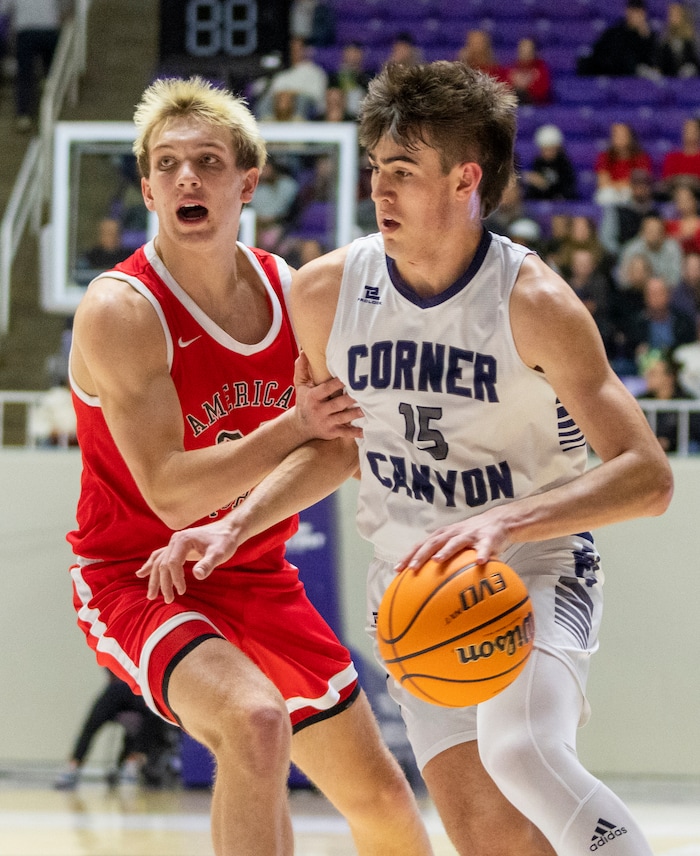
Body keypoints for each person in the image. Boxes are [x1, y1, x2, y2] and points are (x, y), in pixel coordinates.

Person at [140, 62, 673, 856]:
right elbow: (339, 450)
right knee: (486, 835)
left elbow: (648, 477)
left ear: (466, 179)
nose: (379, 191)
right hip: (412, 593)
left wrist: (509, 518)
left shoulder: (535, 304)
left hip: (533, 568)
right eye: (377, 169)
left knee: (523, 751)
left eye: (403, 173)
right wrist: (236, 524)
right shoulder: (325, 294)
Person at [66, 75, 433, 856]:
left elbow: (334, 447)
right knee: (255, 721)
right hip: (136, 575)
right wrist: (288, 426)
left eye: (206, 160)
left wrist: (237, 527)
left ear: (248, 182)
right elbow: (167, 492)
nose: (186, 178)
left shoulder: (290, 291)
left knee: (385, 806)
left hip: (252, 568)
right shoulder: (121, 310)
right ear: (147, 187)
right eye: (166, 164)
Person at [54, 670, 179, 790]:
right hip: (119, 687)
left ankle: (132, 762)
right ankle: (74, 765)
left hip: (141, 691)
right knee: (93, 720)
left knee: (154, 713)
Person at [7, 0, 71, 132]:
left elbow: (5, 9)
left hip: (26, 32)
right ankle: (48, 99)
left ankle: (24, 115)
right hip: (48, 30)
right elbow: (65, 7)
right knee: (52, 73)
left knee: (25, 76)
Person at [636, 348, 700, 453]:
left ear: (669, 377)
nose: (648, 377)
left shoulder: (686, 402)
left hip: (678, 454)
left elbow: (694, 431)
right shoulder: (641, 401)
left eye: (653, 373)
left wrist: (670, 442)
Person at [577, 0, 658, 77]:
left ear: (644, 14)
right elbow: (603, 58)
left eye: (639, 13)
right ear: (627, 12)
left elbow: (652, 62)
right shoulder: (614, 33)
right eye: (632, 11)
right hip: (612, 75)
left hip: (636, 80)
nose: (635, 16)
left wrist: (645, 38)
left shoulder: (648, 36)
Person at [599, 167, 659, 256]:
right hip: (622, 257)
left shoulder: (656, 213)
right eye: (636, 184)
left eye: (644, 184)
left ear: (650, 187)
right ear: (631, 186)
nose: (640, 188)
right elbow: (606, 239)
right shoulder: (618, 210)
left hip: (652, 258)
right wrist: (625, 254)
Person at [618, 211, 684, 289]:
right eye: (649, 231)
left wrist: (655, 286)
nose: (653, 234)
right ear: (642, 233)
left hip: (665, 292)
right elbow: (623, 279)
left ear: (663, 233)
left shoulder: (673, 248)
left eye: (657, 231)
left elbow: (676, 279)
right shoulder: (631, 249)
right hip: (636, 292)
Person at [594, 121, 654, 206]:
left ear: (630, 136)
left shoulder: (641, 157)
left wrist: (619, 185)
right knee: (605, 195)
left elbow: (640, 182)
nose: (620, 138)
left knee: (633, 194)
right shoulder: (604, 157)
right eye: (616, 135)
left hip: (630, 192)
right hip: (611, 192)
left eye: (623, 134)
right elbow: (603, 183)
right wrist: (621, 185)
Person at [522, 124, 577, 201]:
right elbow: (533, 191)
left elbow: (568, 190)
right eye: (544, 150)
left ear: (558, 148)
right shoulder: (538, 162)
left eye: (551, 149)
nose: (547, 153)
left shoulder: (564, 164)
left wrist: (545, 185)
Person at [327, 41, 373, 118]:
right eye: (349, 51)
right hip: (340, 114)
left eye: (355, 52)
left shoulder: (368, 77)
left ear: (361, 54)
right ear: (344, 54)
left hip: (361, 114)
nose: (352, 55)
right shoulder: (334, 76)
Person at [655, 1, 700, 78]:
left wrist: (691, 68)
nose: (672, 18)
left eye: (676, 15)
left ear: (682, 16)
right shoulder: (664, 40)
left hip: (689, 83)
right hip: (668, 80)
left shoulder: (690, 40)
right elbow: (660, 63)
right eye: (671, 15)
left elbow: (695, 61)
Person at [502, 37, 552, 105]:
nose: (525, 53)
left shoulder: (542, 70)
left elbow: (542, 92)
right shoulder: (510, 69)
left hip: (537, 108)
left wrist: (525, 86)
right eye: (522, 50)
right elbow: (504, 90)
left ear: (535, 51)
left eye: (528, 50)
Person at [660, 117, 700, 197]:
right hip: (673, 195)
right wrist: (683, 180)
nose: (688, 132)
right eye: (686, 129)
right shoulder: (672, 157)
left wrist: (688, 181)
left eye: (692, 130)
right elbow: (666, 181)